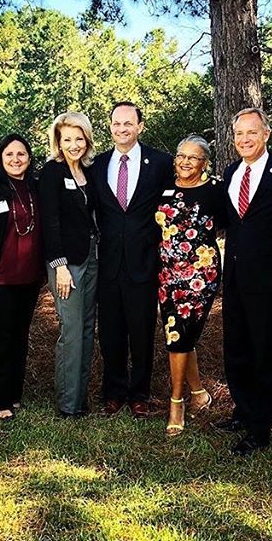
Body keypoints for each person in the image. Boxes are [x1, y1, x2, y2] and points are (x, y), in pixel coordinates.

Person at [212, 107, 272, 455]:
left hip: (269, 277)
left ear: (266, 134)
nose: (245, 140)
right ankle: (242, 412)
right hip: (235, 274)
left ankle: (261, 427)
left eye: (252, 133)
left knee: (264, 351)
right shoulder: (231, 171)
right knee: (237, 348)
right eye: (239, 134)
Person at [91, 101, 174, 418]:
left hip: (145, 262)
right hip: (108, 263)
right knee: (110, 332)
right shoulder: (97, 165)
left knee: (141, 332)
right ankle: (113, 392)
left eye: (128, 123)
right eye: (116, 123)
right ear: (110, 126)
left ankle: (140, 393)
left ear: (140, 126)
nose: (121, 128)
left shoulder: (161, 163)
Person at [156, 135, 227, 436]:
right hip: (166, 273)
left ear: (205, 163)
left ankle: (177, 402)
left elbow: (230, 223)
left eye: (193, 157)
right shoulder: (164, 187)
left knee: (179, 336)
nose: (185, 161)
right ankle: (199, 393)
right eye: (181, 155)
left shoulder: (215, 191)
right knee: (179, 334)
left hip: (200, 275)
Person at [0, 133, 43, 420]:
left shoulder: (36, 188)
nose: (15, 160)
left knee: (20, 336)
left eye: (21, 154)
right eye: (9, 155)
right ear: (0, 159)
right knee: (1, 338)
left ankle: (14, 393)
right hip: (0, 280)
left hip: (29, 279)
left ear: (29, 159)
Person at [39, 113, 98, 418]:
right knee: (72, 330)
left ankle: (80, 398)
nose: (74, 145)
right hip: (66, 265)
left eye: (79, 138)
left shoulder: (89, 170)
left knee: (87, 328)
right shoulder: (51, 172)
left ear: (86, 139)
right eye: (67, 139)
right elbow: (49, 222)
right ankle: (67, 403)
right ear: (58, 143)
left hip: (91, 259)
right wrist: (59, 266)